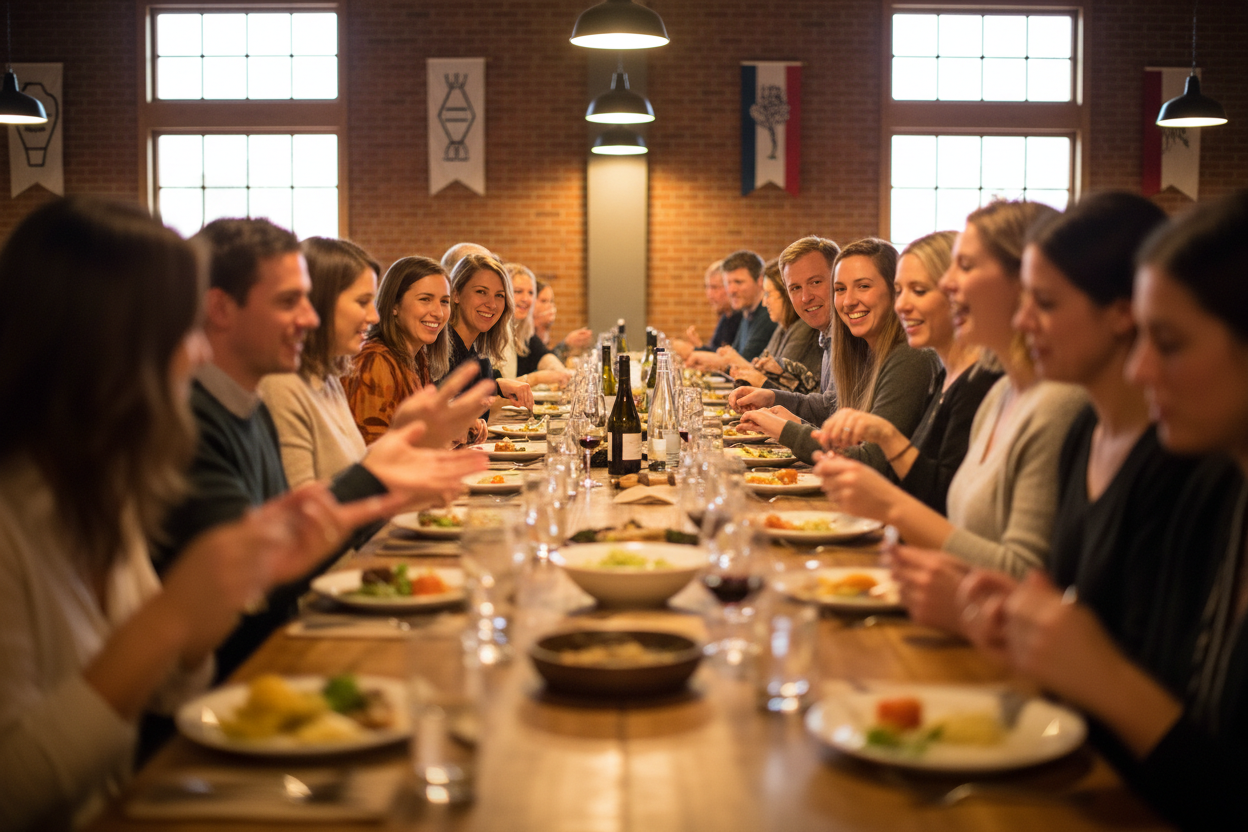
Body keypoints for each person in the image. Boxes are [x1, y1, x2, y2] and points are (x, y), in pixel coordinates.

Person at [0, 197, 403, 830]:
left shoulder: (98, 494)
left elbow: (169, 692)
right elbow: (16, 794)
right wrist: (175, 616)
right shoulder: (13, 520)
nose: (194, 355)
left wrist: (213, 607)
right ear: (96, 339)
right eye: (175, 330)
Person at [958, 191, 1248, 831]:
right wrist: (1024, 624)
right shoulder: (1086, 432)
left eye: (1166, 342)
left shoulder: (1196, 479)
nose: (1142, 369)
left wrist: (1095, 671)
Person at [153, 218, 487, 680]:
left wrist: (399, 461)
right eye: (291, 302)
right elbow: (259, 583)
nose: (308, 318)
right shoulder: (203, 416)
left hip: (310, 619)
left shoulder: (253, 400)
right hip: (264, 660)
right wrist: (387, 466)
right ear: (219, 309)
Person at [817, 202, 1086, 631]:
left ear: (1025, 280)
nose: (949, 284)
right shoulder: (1000, 393)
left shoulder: (1055, 402)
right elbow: (952, 517)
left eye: (964, 266)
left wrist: (889, 501)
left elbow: (1023, 579)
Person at [816, 231, 1000, 514]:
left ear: (958, 294)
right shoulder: (945, 375)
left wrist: (886, 438)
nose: (901, 304)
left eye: (919, 290)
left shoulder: (977, 381)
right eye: (899, 290)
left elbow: (944, 503)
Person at [738, 238, 940, 470]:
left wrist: (787, 429)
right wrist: (778, 404)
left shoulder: (910, 357)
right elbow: (833, 409)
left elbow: (871, 462)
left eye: (863, 286)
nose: (849, 301)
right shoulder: (860, 346)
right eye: (841, 289)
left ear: (894, 290)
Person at [727, 236, 839, 427]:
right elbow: (826, 407)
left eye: (815, 282)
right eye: (795, 288)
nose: (805, 297)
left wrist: (785, 430)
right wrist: (771, 397)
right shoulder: (826, 334)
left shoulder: (849, 336)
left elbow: (846, 436)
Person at [442, 252, 534, 411]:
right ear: (456, 294)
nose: (492, 304)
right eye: (481, 292)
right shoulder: (440, 349)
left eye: (499, 295)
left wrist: (497, 385)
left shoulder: (477, 353)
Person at [716, 258, 823, 390]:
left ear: (786, 296)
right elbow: (763, 372)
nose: (764, 302)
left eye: (768, 294)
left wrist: (738, 363)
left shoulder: (804, 329)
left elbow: (784, 389)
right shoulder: (782, 328)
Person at [685, 250, 776, 369]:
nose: (731, 290)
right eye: (728, 283)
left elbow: (744, 365)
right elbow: (733, 357)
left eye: (738, 282)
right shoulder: (747, 313)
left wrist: (698, 354)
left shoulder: (768, 315)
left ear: (760, 281)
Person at [502, 263, 570, 387]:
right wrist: (535, 378)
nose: (526, 299)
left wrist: (562, 373)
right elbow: (493, 393)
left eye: (530, 293)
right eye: (518, 291)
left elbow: (543, 356)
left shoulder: (523, 331)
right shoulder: (490, 333)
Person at [672, 260, 741, 359]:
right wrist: (698, 346)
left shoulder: (742, 319)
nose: (709, 294)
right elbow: (715, 351)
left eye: (714, 287)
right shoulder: (725, 318)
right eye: (707, 287)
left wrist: (693, 350)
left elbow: (729, 361)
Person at [533, 279, 592, 362]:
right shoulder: (528, 335)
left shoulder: (543, 334)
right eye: (544, 301)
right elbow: (543, 363)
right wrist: (566, 344)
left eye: (551, 301)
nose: (550, 306)